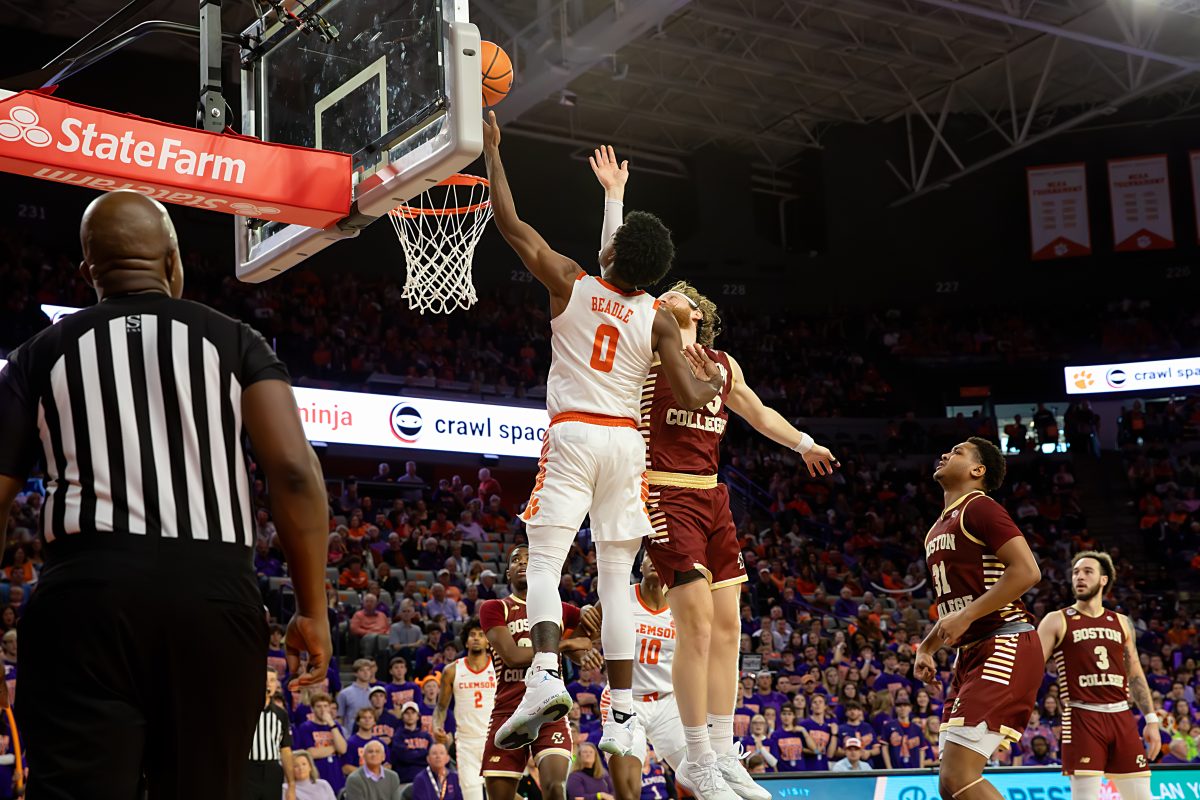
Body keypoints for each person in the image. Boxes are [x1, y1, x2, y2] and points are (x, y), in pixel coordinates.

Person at [0, 191, 331, 799]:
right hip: (210, 600)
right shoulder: (234, 341)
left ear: (88, 273)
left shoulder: (36, 356)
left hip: (83, 602)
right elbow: (292, 472)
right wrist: (312, 606)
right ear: (173, 261)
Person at [592, 157, 836, 800]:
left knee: (728, 628)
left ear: (696, 310)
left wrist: (804, 442)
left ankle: (723, 752)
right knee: (695, 624)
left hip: (714, 496)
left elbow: (759, 414)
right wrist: (616, 200)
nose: (663, 295)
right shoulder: (648, 346)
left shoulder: (723, 367)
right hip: (662, 490)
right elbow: (614, 278)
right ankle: (696, 755)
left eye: (673, 294)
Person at [481, 117, 725, 759]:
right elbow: (696, 395)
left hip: (575, 435)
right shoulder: (660, 317)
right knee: (616, 577)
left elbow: (509, 223)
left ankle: (543, 676)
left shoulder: (569, 281)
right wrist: (711, 384)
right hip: (627, 447)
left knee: (543, 561)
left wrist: (494, 154)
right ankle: (620, 714)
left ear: (611, 256)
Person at [914, 438, 1042, 800]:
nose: (944, 453)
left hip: (1006, 642)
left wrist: (967, 615)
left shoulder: (980, 508)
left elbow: (1028, 571)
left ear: (977, 470)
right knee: (949, 785)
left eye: (956, 452)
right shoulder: (936, 528)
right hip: (971, 651)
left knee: (957, 777)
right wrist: (927, 647)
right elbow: (957, 608)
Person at [1037, 551, 1160, 800]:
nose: (1079, 577)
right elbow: (1030, 668)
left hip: (1121, 716)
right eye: (1075, 573)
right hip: (1082, 716)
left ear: (1103, 580)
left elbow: (1135, 674)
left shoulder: (1122, 622)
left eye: (1087, 572)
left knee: (1142, 796)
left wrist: (1151, 719)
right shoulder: (1056, 620)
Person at [480, 546, 597, 800]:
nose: (522, 563)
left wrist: (589, 612)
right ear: (508, 573)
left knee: (555, 787)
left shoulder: (562, 609)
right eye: (515, 560)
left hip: (550, 709)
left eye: (528, 559)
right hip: (507, 709)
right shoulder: (494, 607)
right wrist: (564, 645)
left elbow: (589, 635)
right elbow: (512, 657)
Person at [584, 556, 687, 800]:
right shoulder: (619, 599)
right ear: (639, 566)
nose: (653, 560)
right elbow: (581, 634)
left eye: (658, 557)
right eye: (647, 557)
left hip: (669, 702)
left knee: (701, 780)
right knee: (628, 792)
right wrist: (584, 614)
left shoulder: (682, 604)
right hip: (624, 701)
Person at [435, 618, 498, 800]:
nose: (476, 638)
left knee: (502, 794)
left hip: (495, 741)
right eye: (472, 635)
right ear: (466, 640)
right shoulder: (452, 670)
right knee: (472, 797)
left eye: (481, 635)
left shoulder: (499, 667)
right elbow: (440, 707)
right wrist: (436, 726)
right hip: (466, 743)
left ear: (488, 640)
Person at [247, 666, 297, 800]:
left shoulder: (281, 714)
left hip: (271, 771)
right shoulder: (240, 712)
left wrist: (291, 785)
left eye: (272, 680)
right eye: (265, 679)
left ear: (276, 685)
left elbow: (285, 750)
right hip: (246, 769)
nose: (268, 684)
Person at [293, 692, 348, 796]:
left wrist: (331, 724)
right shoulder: (306, 727)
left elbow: (343, 749)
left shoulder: (335, 726)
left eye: (325, 706)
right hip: (317, 776)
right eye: (319, 706)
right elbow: (311, 753)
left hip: (336, 776)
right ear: (312, 709)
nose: (323, 710)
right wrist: (334, 748)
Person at [390, 702, 435, 784]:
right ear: (402, 716)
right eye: (407, 713)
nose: (410, 715)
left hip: (426, 779)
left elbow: (432, 757)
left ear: (418, 716)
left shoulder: (426, 736)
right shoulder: (398, 736)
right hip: (405, 779)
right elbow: (404, 757)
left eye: (413, 713)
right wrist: (423, 755)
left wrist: (412, 754)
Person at [340, 659, 380, 728]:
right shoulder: (345, 693)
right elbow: (339, 717)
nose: (366, 673)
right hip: (350, 735)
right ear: (355, 673)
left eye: (368, 670)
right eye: (362, 670)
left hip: (370, 734)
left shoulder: (375, 694)